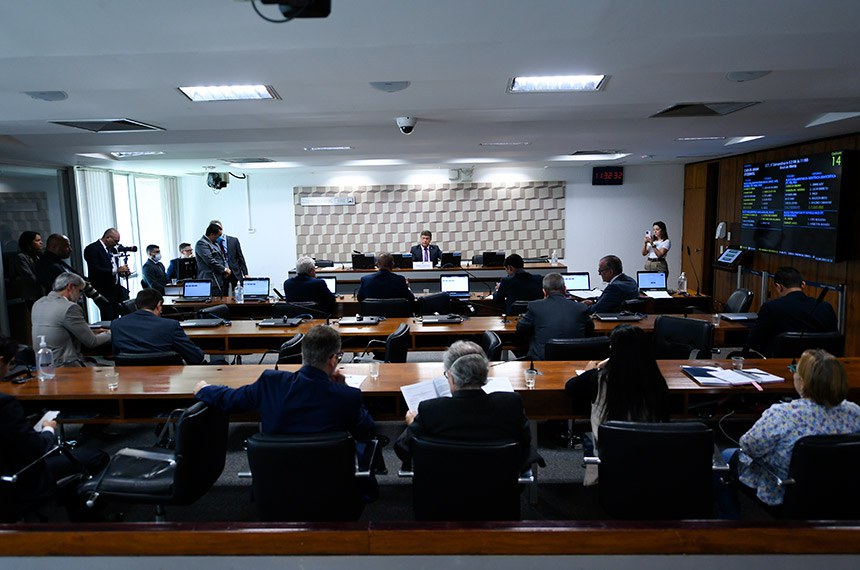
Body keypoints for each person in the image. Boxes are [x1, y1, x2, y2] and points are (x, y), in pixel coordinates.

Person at [194, 325, 378, 498]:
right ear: (333, 359)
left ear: (302, 354)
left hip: (275, 491)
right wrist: (343, 389)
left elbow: (231, 399)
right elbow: (368, 431)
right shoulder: (347, 396)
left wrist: (205, 389)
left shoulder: (270, 383)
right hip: (332, 493)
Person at [724, 350, 860, 509]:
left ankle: (730, 518)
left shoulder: (782, 415)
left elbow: (748, 446)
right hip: (841, 490)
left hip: (784, 490)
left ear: (802, 382)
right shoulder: (855, 412)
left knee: (725, 456)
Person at [0, 335, 110, 522]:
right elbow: (37, 450)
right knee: (97, 457)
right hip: (19, 478)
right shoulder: (5, 405)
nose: (9, 370)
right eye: (10, 364)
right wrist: (48, 430)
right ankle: (87, 519)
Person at [394, 340, 542, 473]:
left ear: (451, 377)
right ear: (485, 374)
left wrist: (412, 424)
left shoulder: (430, 410)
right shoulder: (511, 404)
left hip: (443, 492)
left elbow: (403, 448)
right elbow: (524, 442)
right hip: (499, 490)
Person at [564, 324, 669, 485]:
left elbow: (571, 387)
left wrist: (589, 371)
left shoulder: (598, 379)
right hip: (650, 454)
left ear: (614, 351)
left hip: (610, 453)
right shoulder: (657, 381)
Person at [744, 266, 838, 356]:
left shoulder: (771, 307)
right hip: (817, 365)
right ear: (803, 285)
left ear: (779, 286)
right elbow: (833, 342)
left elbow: (754, 342)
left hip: (778, 364)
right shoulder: (825, 307)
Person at [31, 273, 111, 367]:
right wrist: (112, 332)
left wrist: (92, 331)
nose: (81, 297)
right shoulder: (70, 307)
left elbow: (58, 329)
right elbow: (92, 342)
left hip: (43, 366)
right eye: (80, 291)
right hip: (65, 366)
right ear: (70, 286)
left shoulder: (38, 303)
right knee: (113, 372)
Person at [111, 289, 205, 364]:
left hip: (129, 380)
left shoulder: (116, 324)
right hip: (168, 380)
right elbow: (196, 357)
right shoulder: (171, 325)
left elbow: (117, 355)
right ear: (159, 305)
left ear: (136, 306)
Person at [516, 273, 590, 360]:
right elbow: (590, 329)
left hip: (544, 359)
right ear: (565, 289)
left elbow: (520, 328)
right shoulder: (581, 307)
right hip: (576, 359)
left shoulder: (535, 306)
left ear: (544, 291)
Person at [83, 228, 131, 320]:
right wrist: (117, 270)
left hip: (115, 288)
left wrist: (122, 273)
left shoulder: (112, 250)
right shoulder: (92, 249)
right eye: (116, 241)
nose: (116, 244)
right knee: (108, 314)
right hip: (102, 289)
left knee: (121, 312)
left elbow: (113, 268)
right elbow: (96, 269)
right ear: (108, 238)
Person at [195, 223, 231, 295]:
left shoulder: (215, 243)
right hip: (210, 279)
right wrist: (224, 269)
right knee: (213, 303)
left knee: (222, 302)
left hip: (220, 279)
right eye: (219, 235)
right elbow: (210, 260)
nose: (220, 237)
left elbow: (223, 258)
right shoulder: (202, 243)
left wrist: (227, 269)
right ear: (212, 234)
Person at [210, 220, 248, 288]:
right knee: (224, 294)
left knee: (238, 292)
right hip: (221, 273)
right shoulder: (211, 243)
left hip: (235, 272)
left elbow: (240, 257)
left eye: (219, 228)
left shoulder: (233, 240)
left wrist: (245, 273)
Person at [12, 231, 44, 304]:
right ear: (29, 243)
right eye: (37, 240)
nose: (41, 242)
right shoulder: (21, 257)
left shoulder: (39, 255)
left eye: (40, 240)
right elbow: (29, 276)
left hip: (44, 294)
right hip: (33, 296)